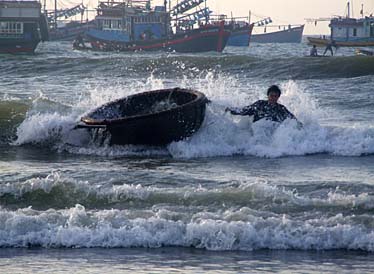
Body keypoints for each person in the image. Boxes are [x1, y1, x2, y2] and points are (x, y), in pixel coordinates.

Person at [225, 85, 301, 125]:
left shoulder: (281, 109)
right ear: (268, 95)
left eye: (275, 96)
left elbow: (292, 119)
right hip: (258, 133)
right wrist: (231, 110)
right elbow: (245, 110)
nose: (273, 98)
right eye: (271, 95)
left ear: (278, 97)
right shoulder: (260, 104)